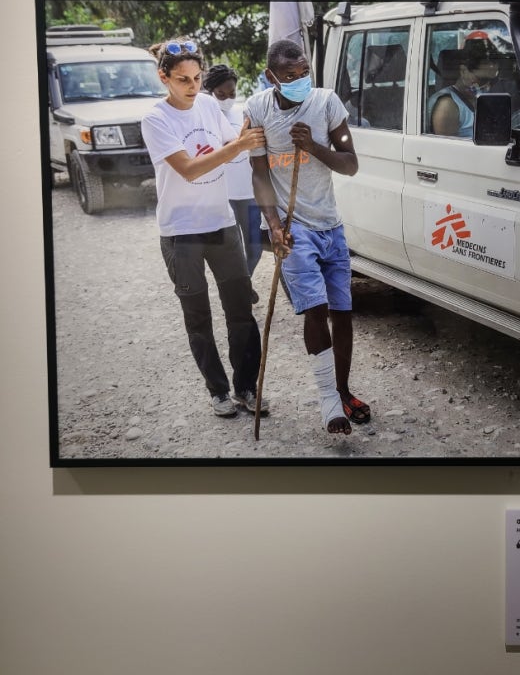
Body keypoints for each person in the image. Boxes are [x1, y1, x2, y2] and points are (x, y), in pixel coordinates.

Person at [141, 38, 269, 419]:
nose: (193, 86)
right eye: (183, 79)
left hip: (221, 224)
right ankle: (218, 391)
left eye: (197, 78)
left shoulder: (210, 105)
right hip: (181, 232)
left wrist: (256, 135)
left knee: (241, 309)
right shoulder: (155, 119)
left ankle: (247, 387)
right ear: (164, 78)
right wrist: (238, 146)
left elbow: (233, 144)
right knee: (198, 317)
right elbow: (190, 167)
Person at [246, 38, 369, 435]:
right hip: (293, 226)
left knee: (343, 313)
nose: (299, 80)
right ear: (271, 77)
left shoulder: (327, 102)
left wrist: (314, 146)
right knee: (315, 310)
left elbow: (350, 164)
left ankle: (344, 389)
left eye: (304, 73)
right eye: (289, 75)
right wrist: (274, 225)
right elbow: (260, 175)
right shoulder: (257, 109)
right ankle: (329, 403)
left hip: (330, 226)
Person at [202, 64, 264, 303]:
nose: (227, 99)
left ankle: (241, 286)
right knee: (233, 251)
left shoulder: (243, 113)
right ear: (210, 91)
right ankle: (239, 293)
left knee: (255, 248)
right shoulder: (205, 117)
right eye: (221, 94)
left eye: (232, 93)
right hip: (223, 193)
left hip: (249, 192)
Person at [429, 35, 501, 137]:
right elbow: (447, 151)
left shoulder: (477, 99)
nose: (487, 86)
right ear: (463, 71)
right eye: (482, 79)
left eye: (492, 81)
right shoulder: (447, 106)